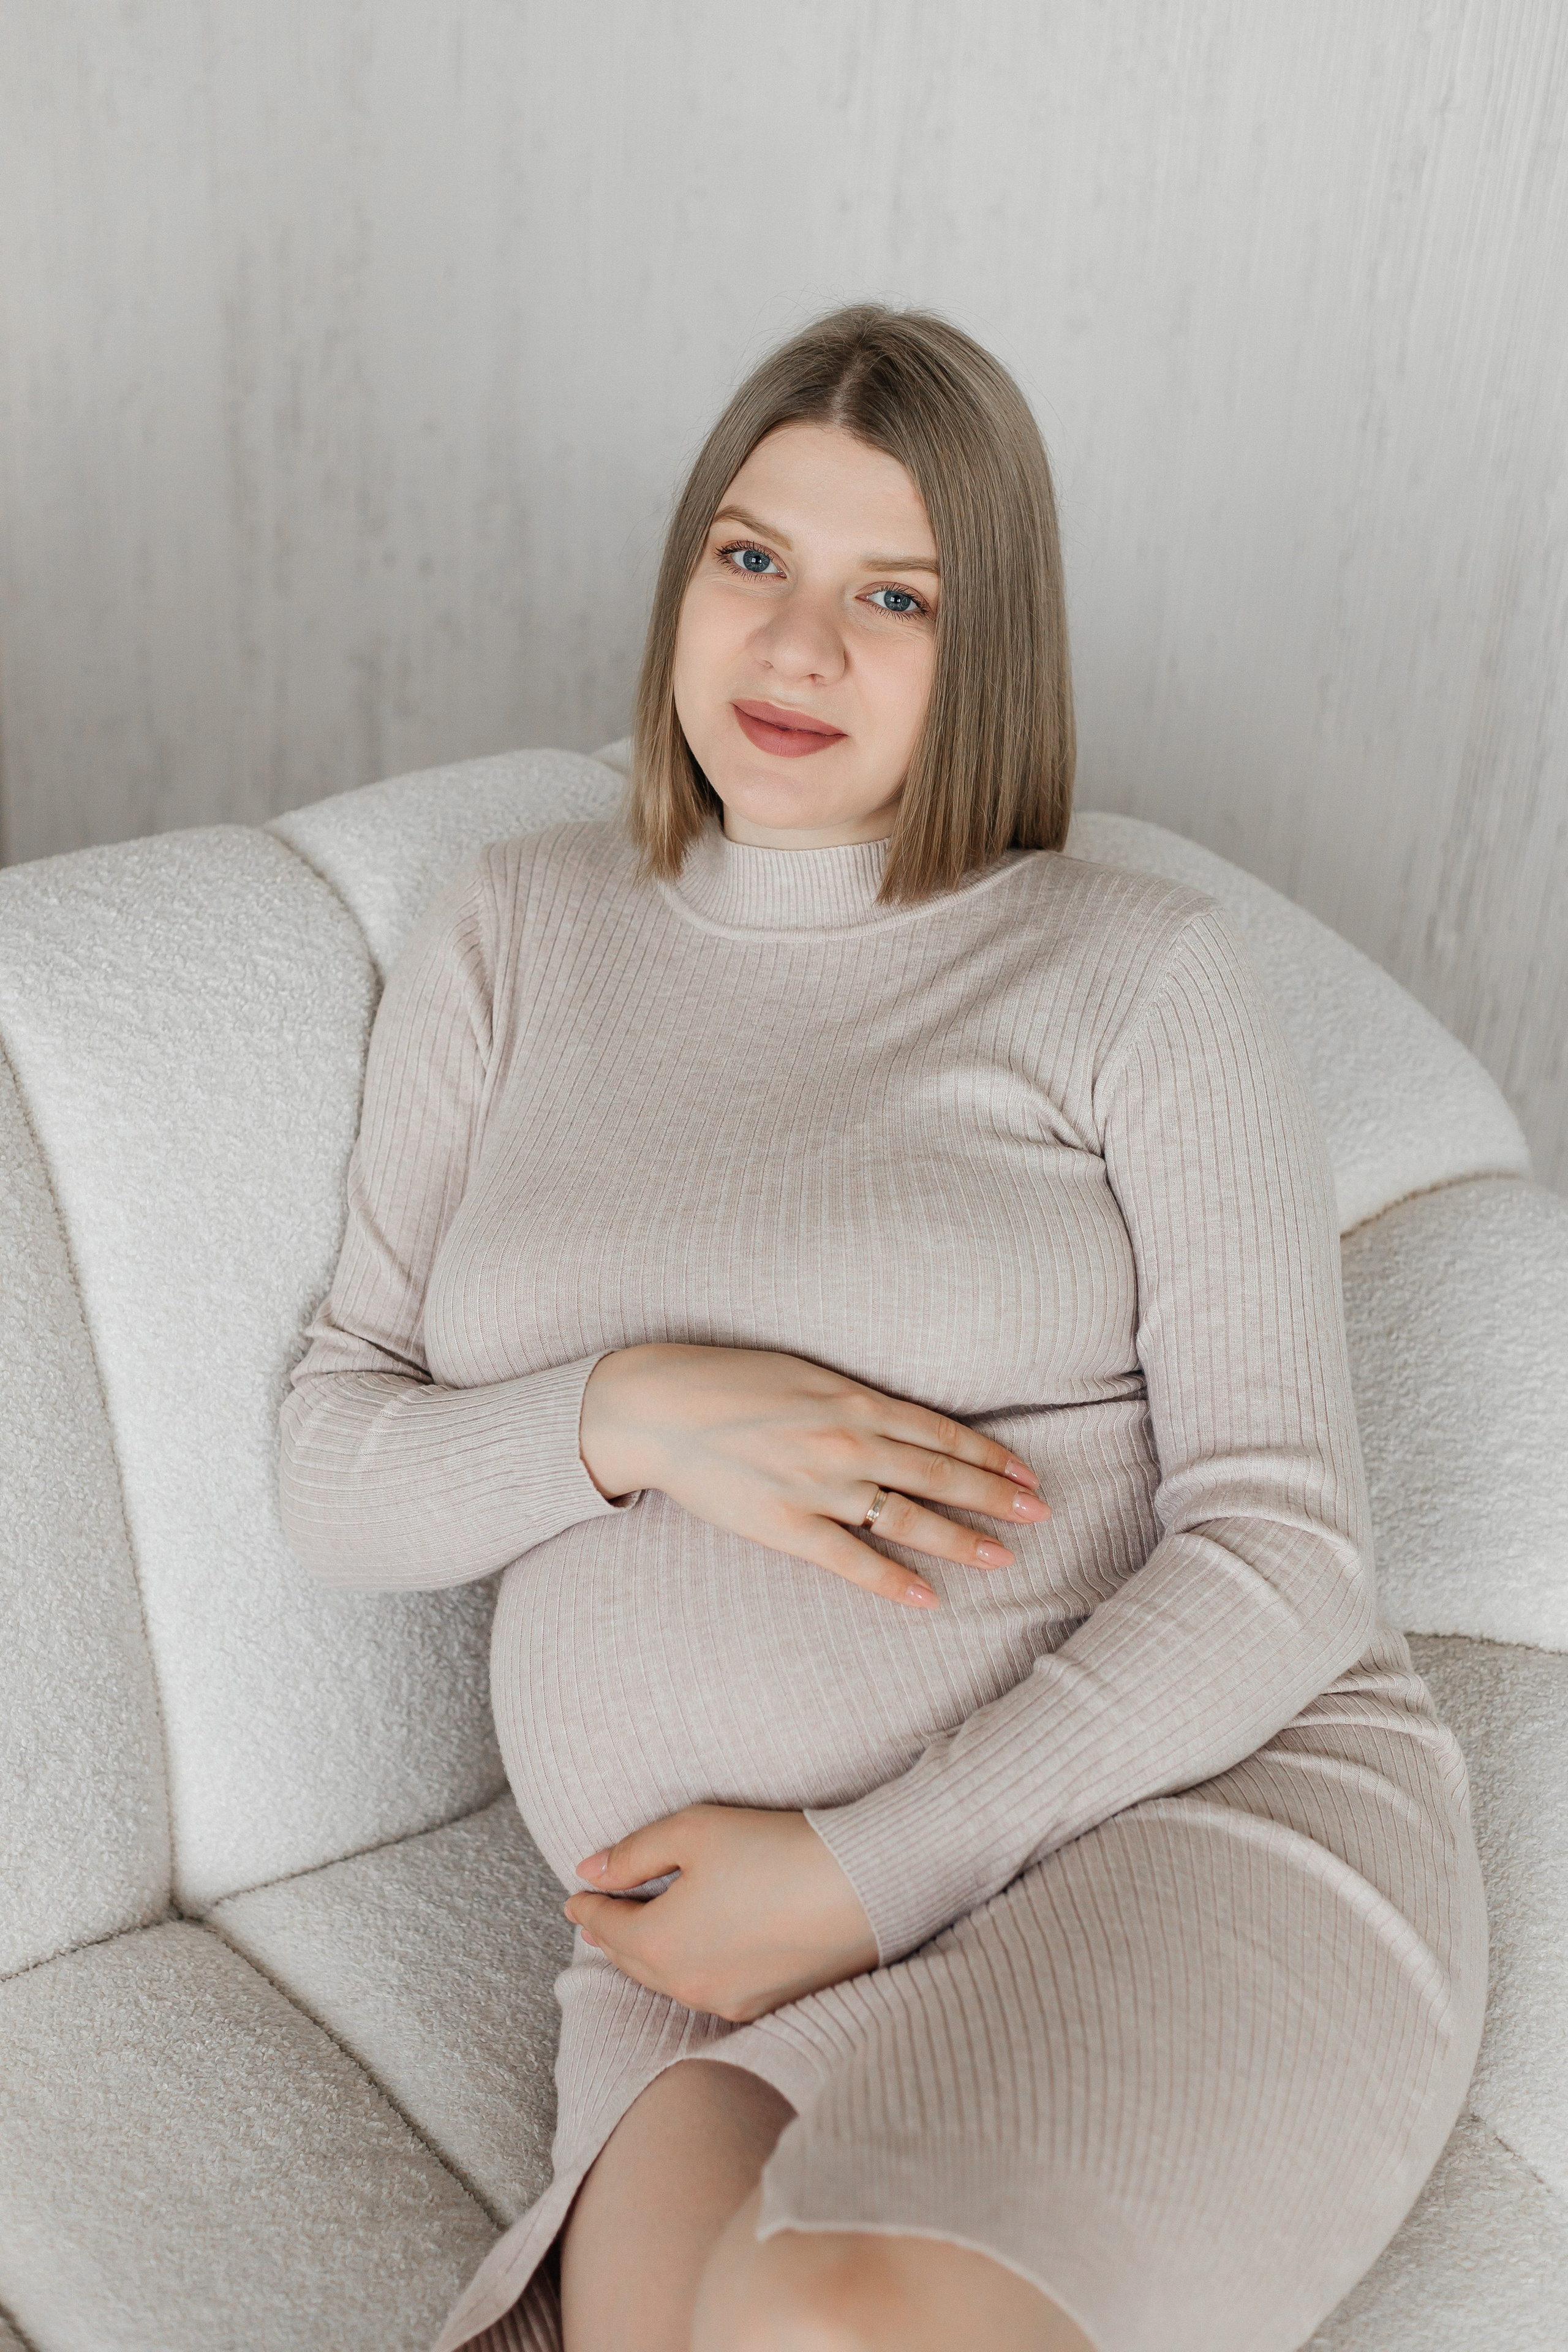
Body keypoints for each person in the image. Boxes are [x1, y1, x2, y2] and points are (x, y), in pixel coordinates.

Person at [278, 303, 1488, 2352]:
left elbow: (1291, 1551)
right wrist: (632, 1415)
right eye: (751, 559)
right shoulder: (516, 931)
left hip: (1161, 1826)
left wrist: (868, 1862)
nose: (798, 647)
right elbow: (333, 1469)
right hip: (696, 1960)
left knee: (820, 2324)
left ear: (987, 645)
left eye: (893, 595)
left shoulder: (1130, 971)